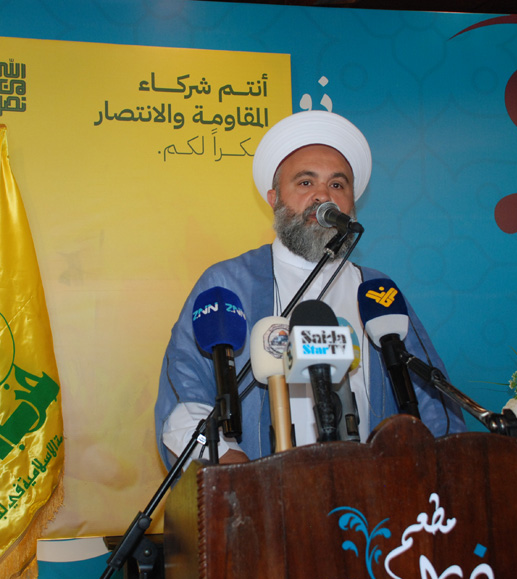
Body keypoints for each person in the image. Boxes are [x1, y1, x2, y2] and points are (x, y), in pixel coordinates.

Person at [154, 110, 465, 468]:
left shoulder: (377, 293)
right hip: (264, 488)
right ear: (274, 198)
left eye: (337, 185)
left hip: (373, 488)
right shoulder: (229, 283)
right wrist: (236, 470)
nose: (323, 197)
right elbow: (186, 395)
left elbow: (434, 404)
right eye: (305, 183)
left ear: (351, 203)